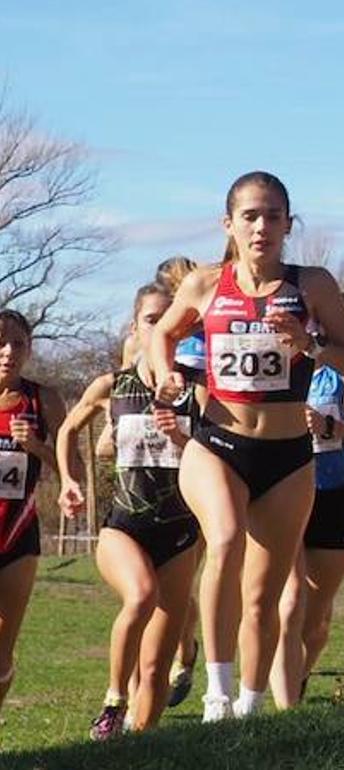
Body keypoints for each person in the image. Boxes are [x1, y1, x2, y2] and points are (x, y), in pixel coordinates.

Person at [149, 171, 344, 721]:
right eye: (250, 215)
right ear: (229, 224)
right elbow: (162, 335)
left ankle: (250, 703)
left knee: (265, 594)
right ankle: (216, 696)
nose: (261, 226)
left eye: (273, 215)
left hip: (289, 455)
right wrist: (164, 375)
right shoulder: (205, 284)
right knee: (223, 540)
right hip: (217, 444)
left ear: (289, 224)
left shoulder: (311, 284)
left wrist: (309, 342)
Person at [58, 284, 203, 738]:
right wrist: (67, 480)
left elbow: (219, 454)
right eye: (151, 320)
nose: (161, 328)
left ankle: (139, 745)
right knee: (141, 595)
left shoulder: (196, 390)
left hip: (179, 533)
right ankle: (113, 700)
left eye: (170, 321)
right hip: (124, 526)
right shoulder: (112, 385)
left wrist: (182, 438)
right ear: (135, 327)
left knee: (158, 665)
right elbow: (67, 428)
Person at [270, 361, 344, 707]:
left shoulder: (340, 374)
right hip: (284, 492)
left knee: (315, 623)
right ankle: (287, 714)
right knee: (289, 604)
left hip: (333, 497)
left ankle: (298, 675)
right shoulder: (271, 370)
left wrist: (328, 425)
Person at [0, 310, 66, 717]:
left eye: (18, 344)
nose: (7, 352)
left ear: (29, 349)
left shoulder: (44, 400)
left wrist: (40, 447)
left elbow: (71, 469)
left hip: (18, 536)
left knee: (3, 649)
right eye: (0, 342)